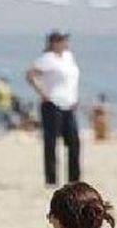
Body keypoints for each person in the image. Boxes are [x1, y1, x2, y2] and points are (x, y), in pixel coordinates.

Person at [26, 30, 81, 186]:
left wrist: (75, 96)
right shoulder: (46, 59)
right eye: (62, 41)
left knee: (74, 142)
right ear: (54, 43)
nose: (65, 44)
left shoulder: (68, 57)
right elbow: (30, 74)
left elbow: (72, 79)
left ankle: (74, 179)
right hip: (52, 104)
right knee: (51, 143)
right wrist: (42, 92)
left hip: (69, 104)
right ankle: (51, 179)